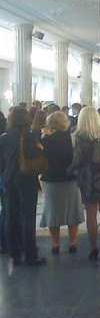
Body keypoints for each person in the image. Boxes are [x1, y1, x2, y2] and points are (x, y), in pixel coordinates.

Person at [0, 107, 46, 266]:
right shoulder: (28, 137)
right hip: (26, 180)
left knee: (11, 216)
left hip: (9, 180)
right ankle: (30, 254)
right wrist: (39, 147)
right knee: (27, 217)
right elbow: (35, 154)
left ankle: (14, 252)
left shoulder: (4, 138)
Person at [40, 111, 84, 254]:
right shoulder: (71, 139)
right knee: (72, 212)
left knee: (53, 212)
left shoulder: (45, 140)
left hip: (51, 179)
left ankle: (56, 243)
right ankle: (73, 242)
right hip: (70, 179)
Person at [66, 107, 100, 260]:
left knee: (91, 214)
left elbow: (78, 160)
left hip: (88, 179)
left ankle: (94, 248)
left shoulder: (80, 136)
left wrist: (69, 171)